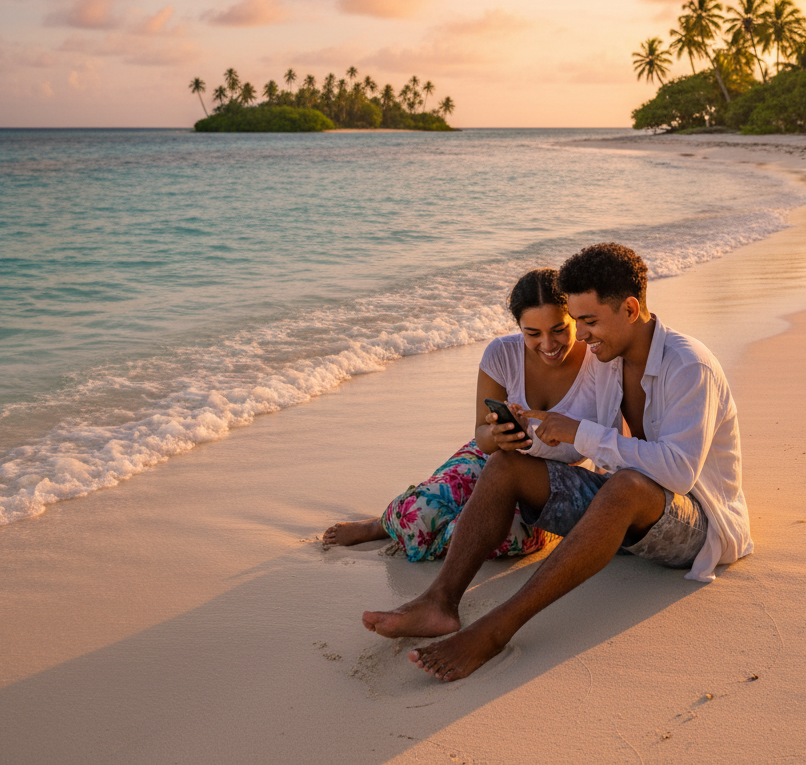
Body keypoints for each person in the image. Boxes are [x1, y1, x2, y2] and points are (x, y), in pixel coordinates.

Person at [361, 242, 753, 682]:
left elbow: (678, 473)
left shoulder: (689, 366)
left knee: (626, 487)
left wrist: (578, 431)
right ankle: (439, 603)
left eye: (588, 321)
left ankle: (496, 629)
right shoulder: (608, 360)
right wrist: (531, 431)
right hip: (627, 512)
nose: (581, 337)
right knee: (508, 467)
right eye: (579, 322)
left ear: (629, 308)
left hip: (699, 526)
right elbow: (586, 443)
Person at [322, 268, 595, 561]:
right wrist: (497, 435)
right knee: (418, 514)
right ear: (519, 327)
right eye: (533, 333)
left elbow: (620, 438)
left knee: (484, 533)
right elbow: (482, 436)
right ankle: (384, 524)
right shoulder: (501, 354)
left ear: (574, 319)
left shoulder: (599, 359)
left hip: (551, 483)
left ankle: (417, 531)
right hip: (493, 459)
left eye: (559, 329)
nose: (548, 344)